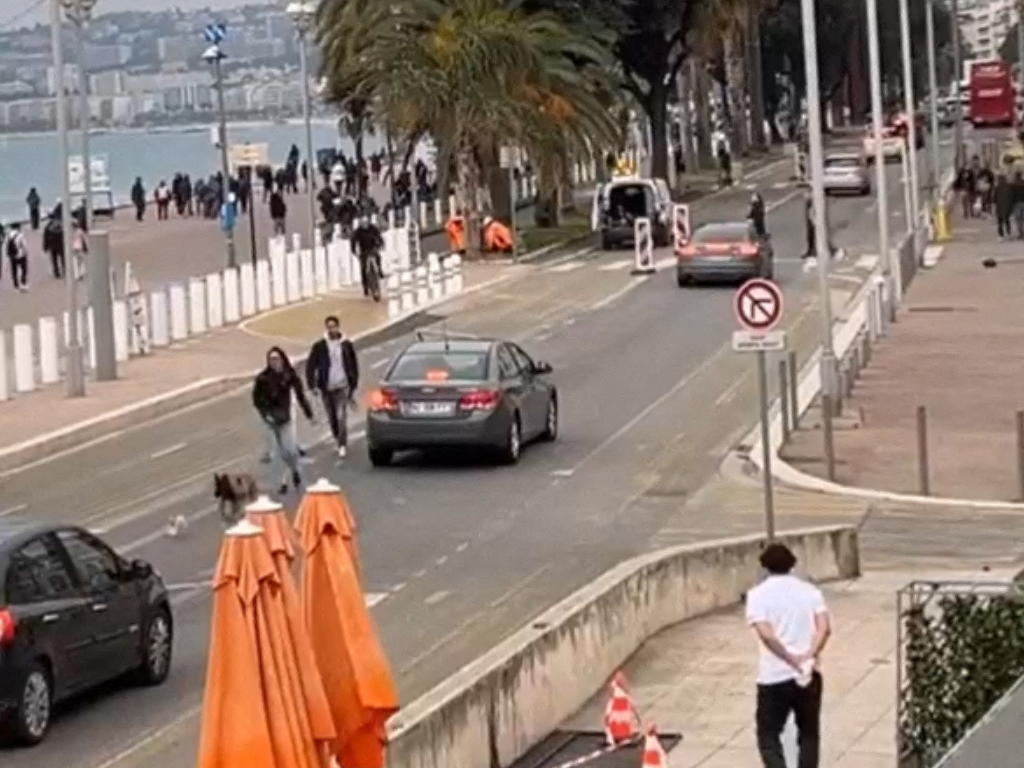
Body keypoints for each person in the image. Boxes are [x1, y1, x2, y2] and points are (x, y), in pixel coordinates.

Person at [746, 543, 831, 768]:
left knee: (768, 734)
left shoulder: (757, 596)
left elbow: (766, 635)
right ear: (792, 566)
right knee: (809, 733)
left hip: (774, 675)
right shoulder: (811, 592)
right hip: (808, 673)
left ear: (764, 567)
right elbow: (824, 628)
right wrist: (808, 655)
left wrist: (788, 657)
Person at [251, 346, 315, 495]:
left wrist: (309, 414)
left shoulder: (289, 376)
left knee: (289, 451)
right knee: (276, 452)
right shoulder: (263, 378)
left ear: (282, 359)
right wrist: (264, 414)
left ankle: (294, 470)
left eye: (277, 358)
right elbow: (256, 399)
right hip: (269, 420)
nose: (274, 362)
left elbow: (300, 396)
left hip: (285, 419)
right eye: (271, 359)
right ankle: (282, 482)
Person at [305, 315, 360, 459]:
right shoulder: (320, 346)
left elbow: (353, 365)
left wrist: (353, 386)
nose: (332, 329)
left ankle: (342, 444)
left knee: (342, 417)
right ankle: (337, 437)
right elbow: (311, 365)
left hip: (342, 387)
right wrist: (312, 384)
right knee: (332, 417)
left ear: (338, 327)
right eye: (329, 327)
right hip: (326, 388)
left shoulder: (346, 344)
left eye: (334, 326)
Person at [351, 217, 384, 297]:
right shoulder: (358, 231)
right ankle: (365, 286)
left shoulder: (373, 228)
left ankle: (379, 270)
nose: (365, 225)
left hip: (373, 248)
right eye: (363, 223)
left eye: (366, 223)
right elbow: (353, 241)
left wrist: (381, 244)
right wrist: (354, 251)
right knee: (363, 268)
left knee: (378, 257)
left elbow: (379, 237)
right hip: (364, 250)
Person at [5, 222, 28, 292]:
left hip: (12, 255)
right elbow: (24, 245)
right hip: (21, 254)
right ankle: (23, 282)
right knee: (24, 269)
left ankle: (16, 285)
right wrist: (26, 252)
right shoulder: (20, 235)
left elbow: (6, 244)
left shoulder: (8, 235)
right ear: (18, 227)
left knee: (14, 271)